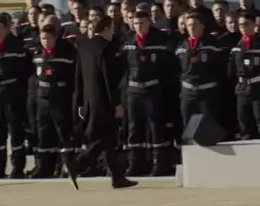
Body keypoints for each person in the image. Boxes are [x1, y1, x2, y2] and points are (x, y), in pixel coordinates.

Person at [72, 15, 137, 189]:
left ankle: (117, 177)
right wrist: (116, 104)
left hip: (88, 101)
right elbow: (109, 80)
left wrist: (79, 103)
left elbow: (78, 78)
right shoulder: (106, 48)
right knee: (105, 138)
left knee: (108, 140)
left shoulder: (83, 46)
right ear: (107, 29)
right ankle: (78, 162)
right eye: (112, 30)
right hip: (104, 101)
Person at [120, 11, 173, 177]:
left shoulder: (160, 40)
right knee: (134, 127)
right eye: (136, 23)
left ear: (149, 22)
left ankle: (159, 163)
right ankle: (136, 162)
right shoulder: (128, 40)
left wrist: (162, 88)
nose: (139, 26)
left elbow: (167, 67)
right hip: (133, 90)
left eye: (142, 23)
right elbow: (123, 67)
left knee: (156, 126)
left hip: (152, 89)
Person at [0, 14, 32, 179]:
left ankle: (17, 166)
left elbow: (26, 70)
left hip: (12, 91)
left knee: (15, 130)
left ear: (6, 28)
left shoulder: (17, 46)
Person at [30, 25, 78, 178]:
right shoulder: (37, 53)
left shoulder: (66, 53)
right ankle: (45, 166)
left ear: (55, 38)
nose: (46, 42)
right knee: (43, 131)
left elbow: (73, 77)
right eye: (43, 38)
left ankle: (67, 165)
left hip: (59, 95)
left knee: (63, 131)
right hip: (42, 96)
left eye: (49, 38)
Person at [229, 12, 260, 139]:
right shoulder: (236, 47)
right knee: (244, 124)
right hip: (242, 89)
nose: (243, 27)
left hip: (259, 88)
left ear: (254, 25)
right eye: (240, 25)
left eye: (246, 24)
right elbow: (232, 71)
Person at [175, 12, 225, 126]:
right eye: (189, 25)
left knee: (208, 126)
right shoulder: (181, 46)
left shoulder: (214, 45)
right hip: (187, 92)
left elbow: (221, 69)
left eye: (195, 24)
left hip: (207, 92)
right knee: (188, 125)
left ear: (202, 25)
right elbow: (177, 68)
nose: (192, 27)